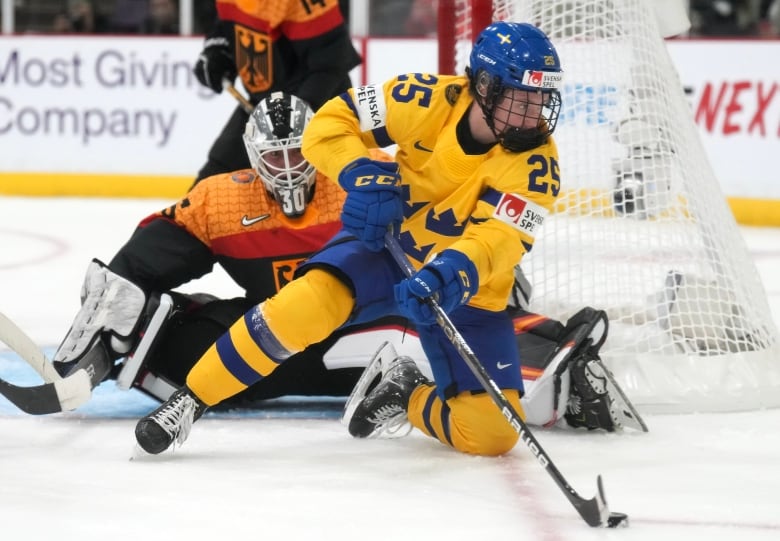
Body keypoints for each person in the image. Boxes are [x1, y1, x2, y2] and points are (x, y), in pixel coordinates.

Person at [133, 21, 625, 456]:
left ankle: (406, 393)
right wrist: (361, 173)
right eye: (522, 98)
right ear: (483, 86)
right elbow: (329, 123)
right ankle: (190, 401)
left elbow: (500, 239)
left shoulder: (538, 164)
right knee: (301, 307)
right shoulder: (422, 98)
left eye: (542, 100)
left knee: (494, 436)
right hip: (386, 248)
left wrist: (452, 271)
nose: (533, 115)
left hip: (468, 287)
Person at [51, 92, 388, 405]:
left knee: (420, 347)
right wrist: (122, 288)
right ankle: (153, 327)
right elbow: (155, 248)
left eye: (296, 151)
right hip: (271, 333)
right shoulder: (224, 203)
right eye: (275, 154)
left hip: (364, 329)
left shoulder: (363, 177)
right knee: (181, 357)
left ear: (316, 147)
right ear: (254, 156)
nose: (287, 167)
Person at [191, 0, 361, 186]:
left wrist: (299, 111)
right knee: (214, 178)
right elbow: (227, 24)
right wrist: (218, 51)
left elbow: (331, 61)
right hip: (263, 105)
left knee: (320, 193)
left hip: (318, 110)